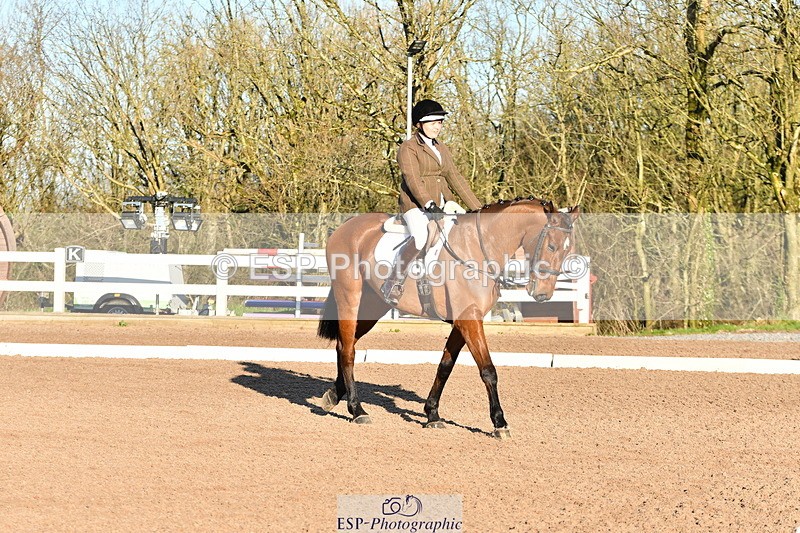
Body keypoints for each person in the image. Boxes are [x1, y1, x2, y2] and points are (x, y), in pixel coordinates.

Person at [381, 99, 483, 305]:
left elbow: (456, 178)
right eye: (433, 122)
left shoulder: (441, 148)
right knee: (421, 237)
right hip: (415, 206)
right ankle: (394, 280)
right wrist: (428, 204)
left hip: (444, 203)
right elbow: (412, 179)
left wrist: (479, 208)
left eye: (440, 122)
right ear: (419, 124)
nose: (438, 126)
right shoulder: (408, 148)